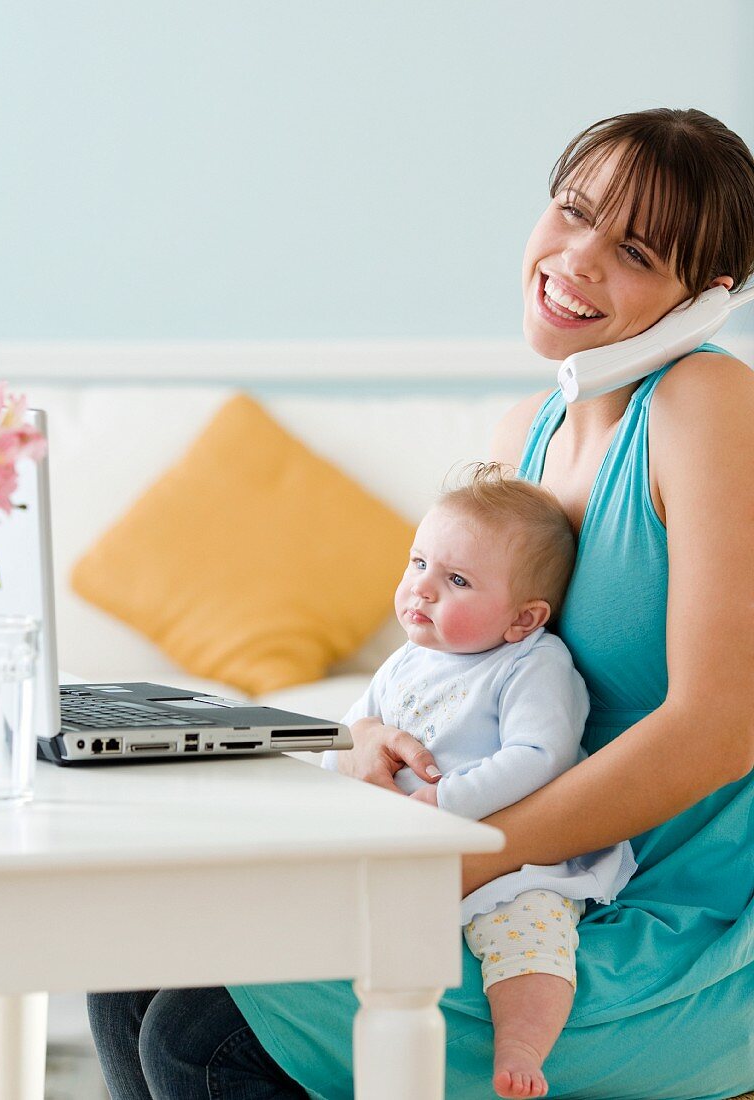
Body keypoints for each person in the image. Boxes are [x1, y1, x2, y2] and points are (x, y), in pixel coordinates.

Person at [88, 107, 754, 1100]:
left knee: (202, 1033)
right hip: (513, 872)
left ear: (704, 300)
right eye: (573, 211)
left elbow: (721, 725)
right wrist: (370, 746)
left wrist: (458, 859)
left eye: (635, 250)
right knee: (133, 965)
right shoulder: (524, 427)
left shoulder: (706, 405)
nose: (575, 259)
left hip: (659, 919)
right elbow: (453, 663)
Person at [320, 462, 636, 1099]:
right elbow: (346, 743)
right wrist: (354, 757)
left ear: (522, 618)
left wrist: (446, 800)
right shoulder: (407, 661)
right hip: (410, 844)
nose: (423, 590)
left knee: (527, 934)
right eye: (418, 564)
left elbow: (539, 755)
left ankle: (521, 1040)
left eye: (456, 579)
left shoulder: (530, 662)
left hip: (514, 857)